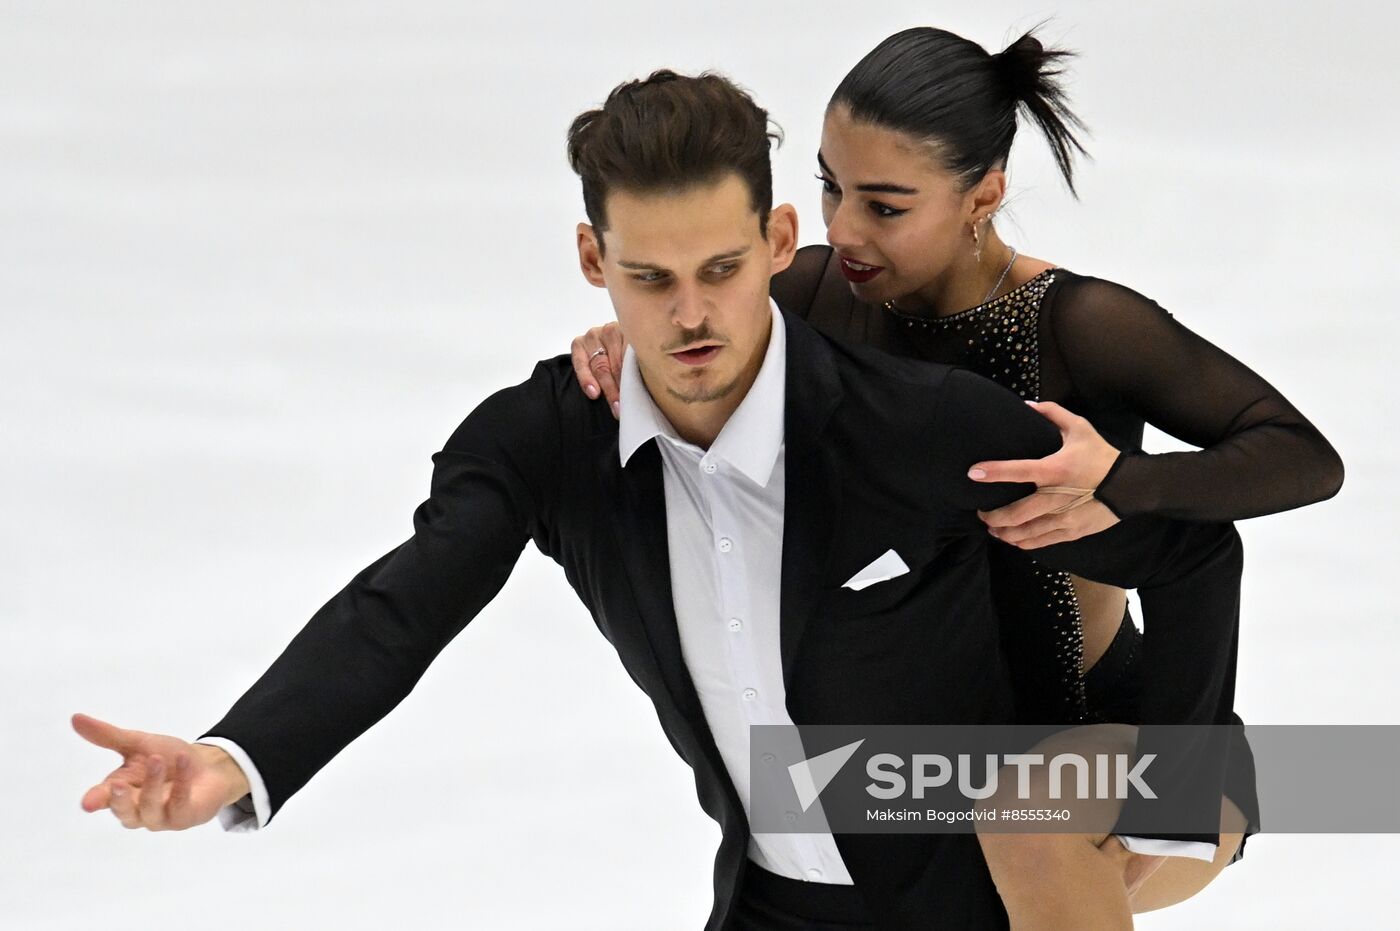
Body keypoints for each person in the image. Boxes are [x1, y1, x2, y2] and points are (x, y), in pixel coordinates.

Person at [75, 70, 1249, 930]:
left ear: (779, 241)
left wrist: (1177, 800)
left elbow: (1193, 552)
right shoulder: (549, 443)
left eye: (723, 271)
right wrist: (237, 756)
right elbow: (403, 606)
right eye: (649, 278)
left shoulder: (921, 427)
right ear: (594, 262)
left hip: (998, 882)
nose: (691, 318)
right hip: (776, 904)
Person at [567, 26, 1344, 923]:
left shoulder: (1077, 325)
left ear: (984, 195)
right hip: (937, 770)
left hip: (1130, 738)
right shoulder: (816, 300)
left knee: (1023, 817)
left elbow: (1301, 455)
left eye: (886, 206)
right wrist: (625, 339)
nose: (843, 228)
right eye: (830, 187)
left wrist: (1122, 478)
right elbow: (694, 314)